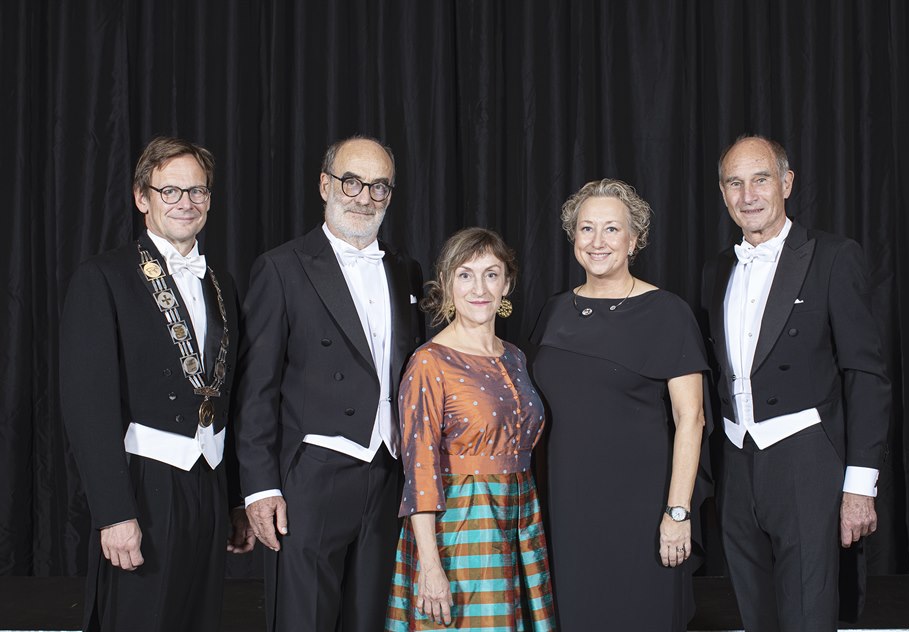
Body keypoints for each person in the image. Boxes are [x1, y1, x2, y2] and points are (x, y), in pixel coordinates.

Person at [60, 136, 254, 632]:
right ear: (142, 198)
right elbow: (88, 406)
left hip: (208, 481)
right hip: (143, 487)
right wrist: (113, 512)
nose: (185, 202)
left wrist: (236, 498)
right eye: (170, 191)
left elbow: (230, 398)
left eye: (197, 191)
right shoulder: (103, 277)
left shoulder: (222, 283)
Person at [702, 135, 891, 631]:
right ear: (723, 193)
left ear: (786, 183)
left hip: (807, 460)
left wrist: (860, 486)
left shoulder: (833, 256)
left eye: (760, 179)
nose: (748, 195)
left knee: (809, 615)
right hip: (737, 462)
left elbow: (866, 375)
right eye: (735, 183)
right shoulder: (717, 268)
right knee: (755, 614)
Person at [235, 136, 424, 631]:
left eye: (379, 186)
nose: (365, 197)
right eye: (352, 182)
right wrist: (259, 488)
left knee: (369, 620)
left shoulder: (405, 270)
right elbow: (256, 390)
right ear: (325, 185)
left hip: (386, 472)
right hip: (311, 478)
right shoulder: (281, 267)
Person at [530, 179, 711, 630]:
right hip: (567, 509)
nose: (598, 241)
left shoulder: (667, 312)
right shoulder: (554, 310)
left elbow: (691, 418)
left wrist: (677, 513)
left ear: (634, 239)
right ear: (573, 237)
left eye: (612, 229)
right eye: (586, 228)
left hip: (642, 511)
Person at [385, 227, 556, 631]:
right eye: (465, 275)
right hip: (460, 526)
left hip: (521, 522)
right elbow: (419, 472)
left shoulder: (515, 357)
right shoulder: (429, 362)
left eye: (491, 274)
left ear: (507, 284)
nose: (479, 288)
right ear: (447, 283)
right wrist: (430, 567)